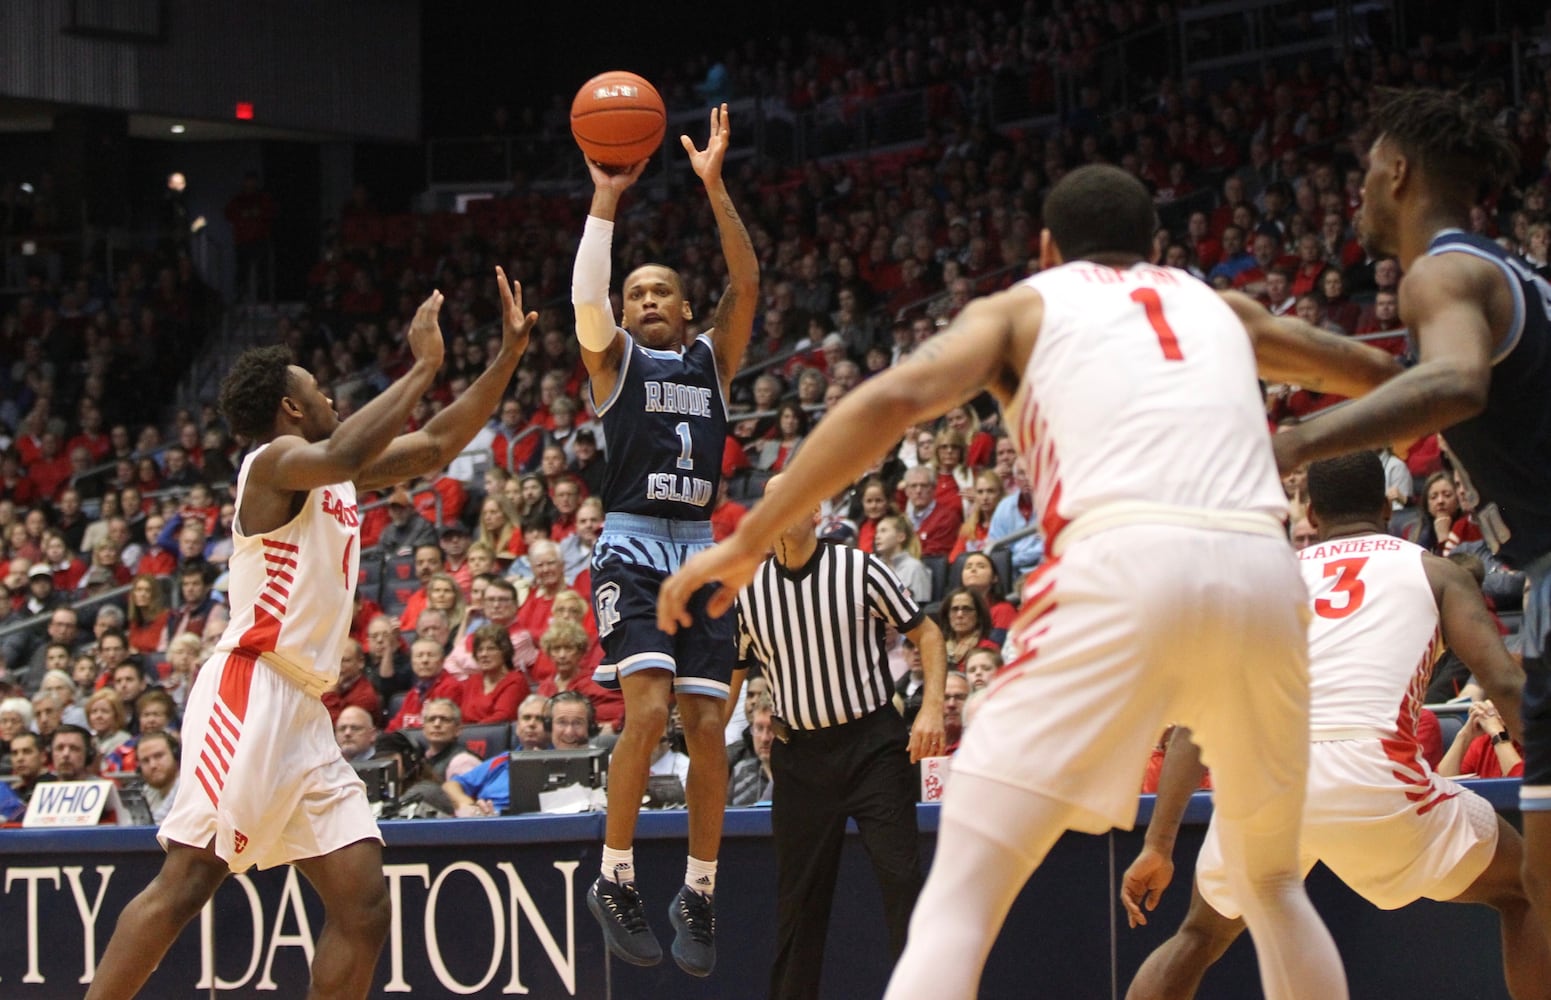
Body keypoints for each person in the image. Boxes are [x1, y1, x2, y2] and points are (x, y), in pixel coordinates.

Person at [659, 164, 1406, 1000]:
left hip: (1120, 563)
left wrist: (744, 541)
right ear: (1156, 247)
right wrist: (1456, 382)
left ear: (1046, 248)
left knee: (958, 903)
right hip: (1264, 578)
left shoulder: (1025, 305)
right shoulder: (1219, 307)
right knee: (1272, 887)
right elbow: (1379, 375)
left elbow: (892, 397)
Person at [84, 272, 536, 1000]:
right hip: (251, 684)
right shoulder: (273, 463)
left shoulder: (331, 473)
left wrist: (507, 356)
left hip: (305, 712)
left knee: (362, 903)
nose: (331, 395)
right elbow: (346, 452)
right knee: (188, 881)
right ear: (292, 406)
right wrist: (420, 366)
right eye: (319, 388)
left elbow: (437, 446)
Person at [1263, 88, 1551, 944]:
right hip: (1538, 577)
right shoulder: (1505, 279)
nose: (1355, 197)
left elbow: (1451, 384)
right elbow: (1426, 385)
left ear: (1396, 172)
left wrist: (1294, 442)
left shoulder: (1441, 270)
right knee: (1536, 881)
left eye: (1360, 178)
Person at [1121, 451, 1549, 1000]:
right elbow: (1506, 683)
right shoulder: (1433, 570)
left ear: (1312, 513)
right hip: (1371, 777)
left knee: (1200, 932)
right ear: (1387, 505)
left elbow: (1190, 729)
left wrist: (1158, 845)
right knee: (1526, 887)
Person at [571, 104, 758, 978]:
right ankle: (613, 877)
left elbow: (747, 284)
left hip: (703, 553)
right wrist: (606, 201)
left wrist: (714, 188)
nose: (644, 301)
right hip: (634, 546)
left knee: (710, 728)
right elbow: (584, 299)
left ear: (684, 310)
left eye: (659, 292)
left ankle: (701, 889)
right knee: (646, 713)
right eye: (634, 292)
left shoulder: (710, 360)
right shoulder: (617, 367)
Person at [732, 474, 947, 1000]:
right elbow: (729, 680)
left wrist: (932, 708)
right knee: (797, 903)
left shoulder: (859, 568)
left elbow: (928, 633)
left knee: (901, 881)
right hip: (799, 758)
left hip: (872, 745)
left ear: (815, 514)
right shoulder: (749, 595)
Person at [137, 730, 181, 824]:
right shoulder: (146, 792)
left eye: (158, 756)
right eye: (145, 760)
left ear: (176, 756)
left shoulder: (188, 790)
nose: (152, 765)